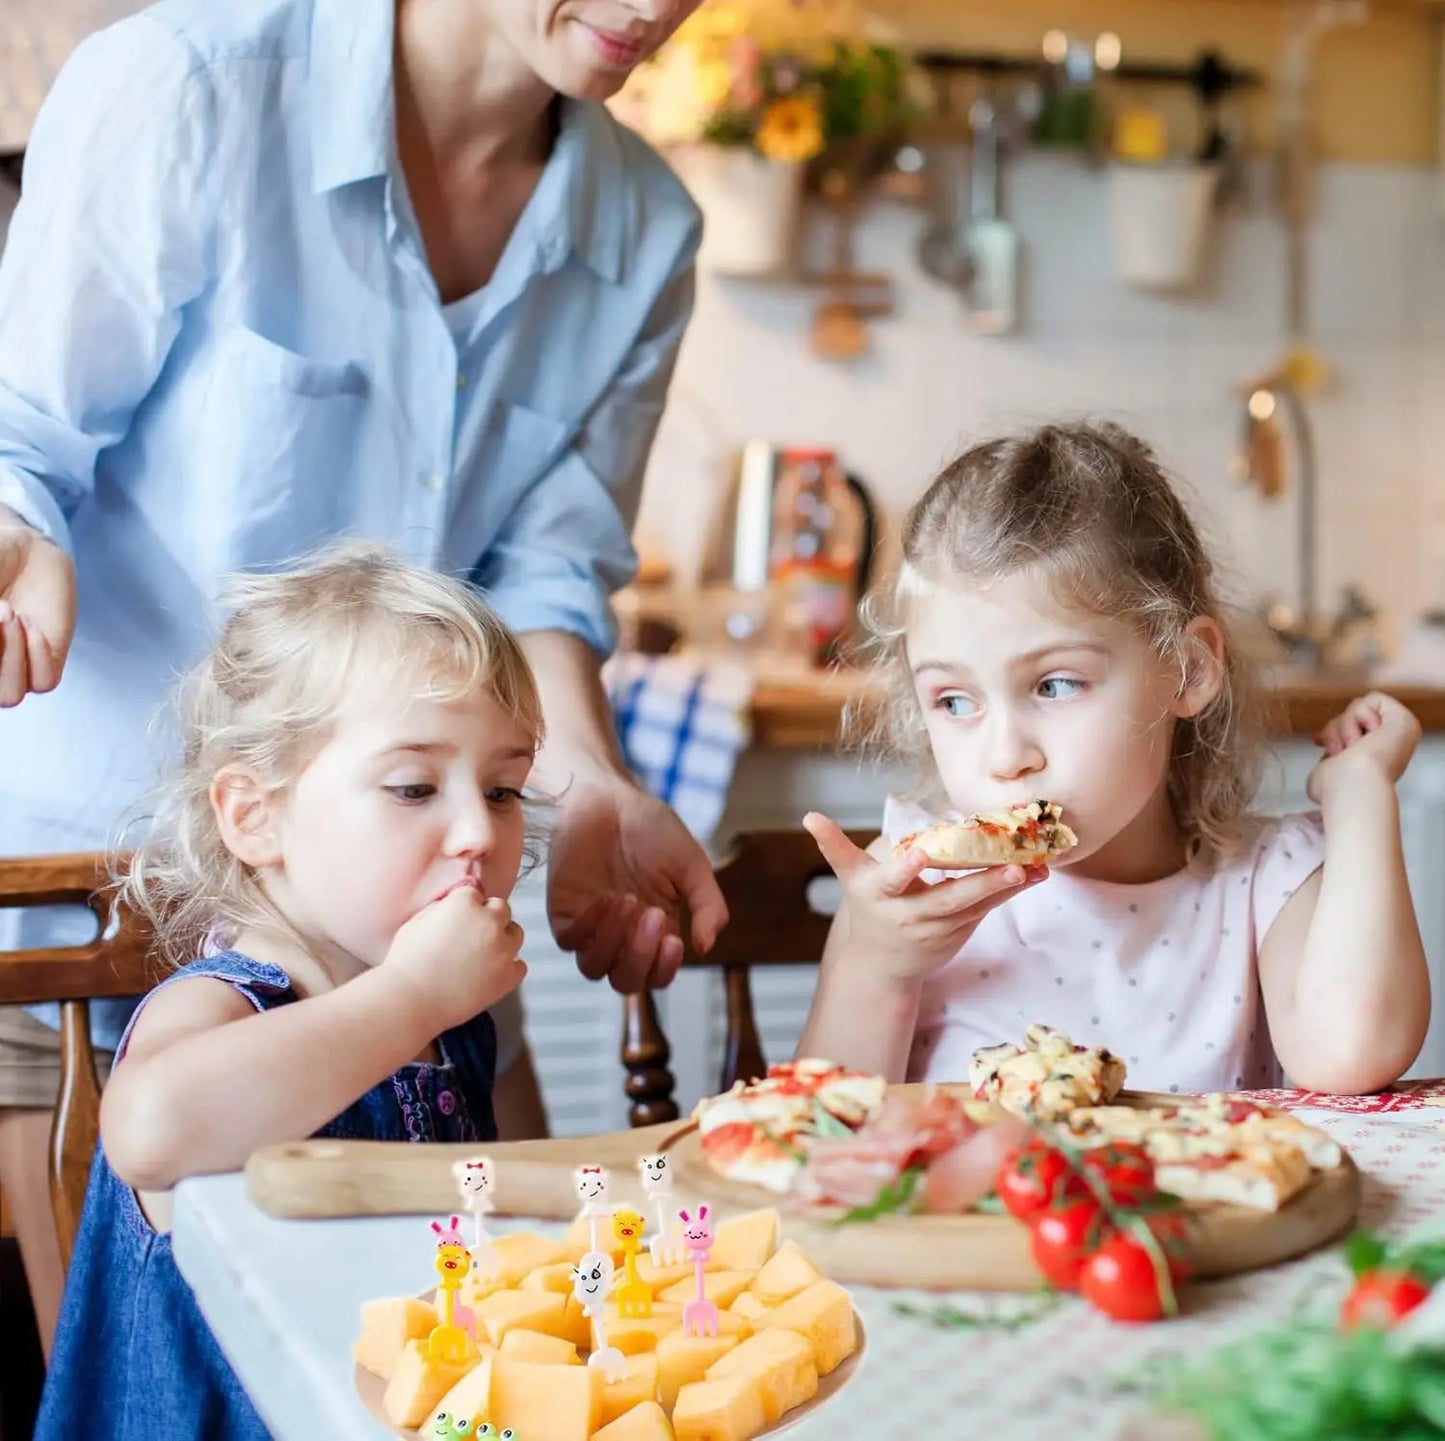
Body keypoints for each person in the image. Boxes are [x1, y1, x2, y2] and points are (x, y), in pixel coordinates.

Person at [0, 0, 726, 1355]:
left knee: (473, 1338)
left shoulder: (647, 233)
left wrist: (585, 784)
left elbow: (546, 571)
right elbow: (18, 433)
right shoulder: (190, 93)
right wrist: (14, 527)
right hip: (79, 905)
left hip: (388, 908)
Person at [35, 544, 545, 1438]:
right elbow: (150, 1130)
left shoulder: (447, 1021)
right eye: (413, 786)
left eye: (502, 790)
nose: (477, 830)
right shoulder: (227, 1004)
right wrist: (416, 998)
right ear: (254, 816)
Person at [798, 422, 1429, 1095]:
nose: (1005, 756)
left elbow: (1352, 1052)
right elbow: (817, 1135)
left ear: (1186, 671)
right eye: (954, 700)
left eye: (1055, 684)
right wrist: (875, 965)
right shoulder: (905, 892)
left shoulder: (1261, 881)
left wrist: (1360, 791)